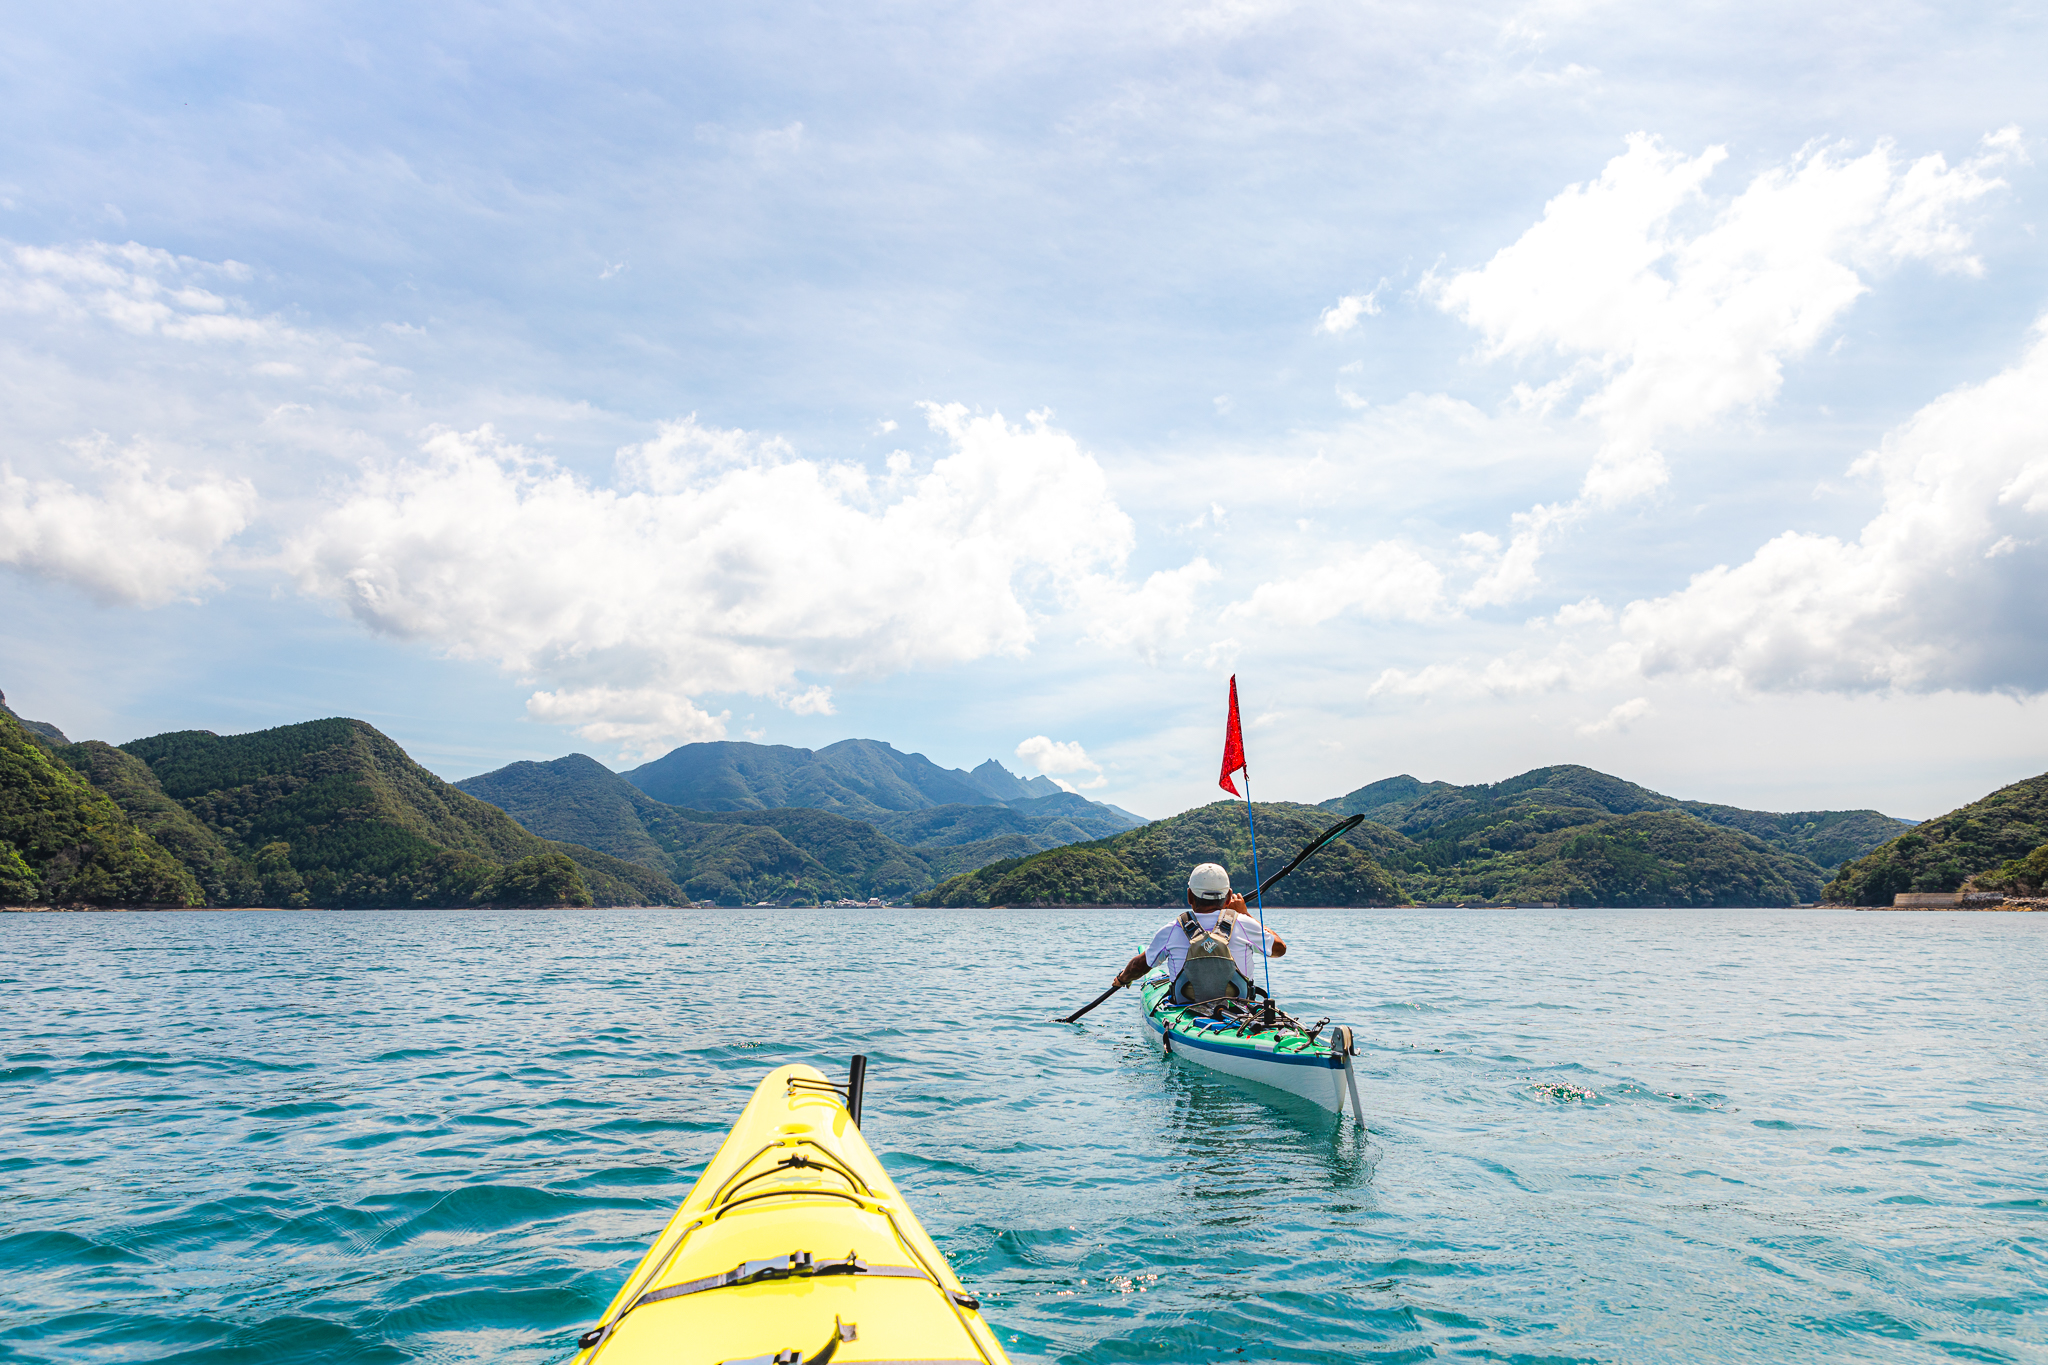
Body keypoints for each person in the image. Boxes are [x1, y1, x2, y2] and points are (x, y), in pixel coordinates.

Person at [1111, 862, 1287, 1005]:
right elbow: (1280, 949)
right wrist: (1245, 915)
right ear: (1228, 897)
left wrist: (1122, 978)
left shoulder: (1172, 929)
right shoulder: (1244, 923)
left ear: (1189, 896)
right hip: (1239, 1010)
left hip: (1187, 1009)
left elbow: (1138, 967)